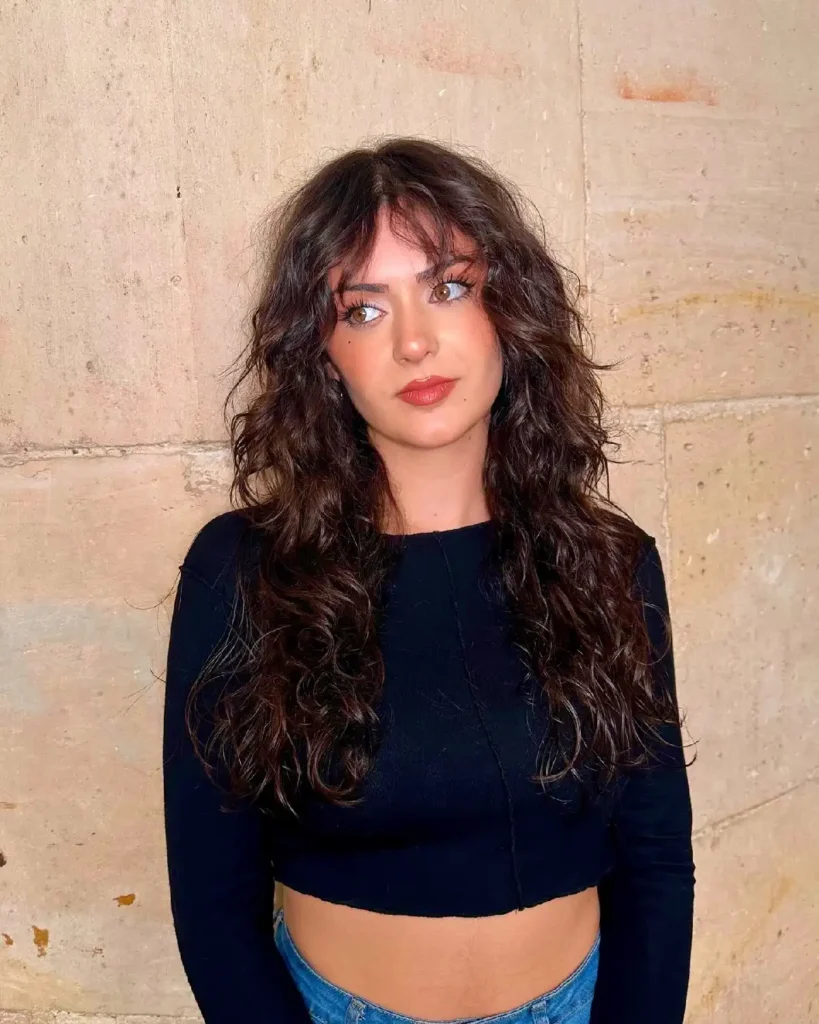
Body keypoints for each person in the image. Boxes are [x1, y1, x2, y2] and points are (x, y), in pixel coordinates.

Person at [162, 136, 695, 1024]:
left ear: (508, 310)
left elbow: (653, 856)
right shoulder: (242, 571)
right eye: (362, 311)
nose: (415, 342)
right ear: (320, 352)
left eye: (449, 288)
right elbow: (215, 906)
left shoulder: (609, 560)